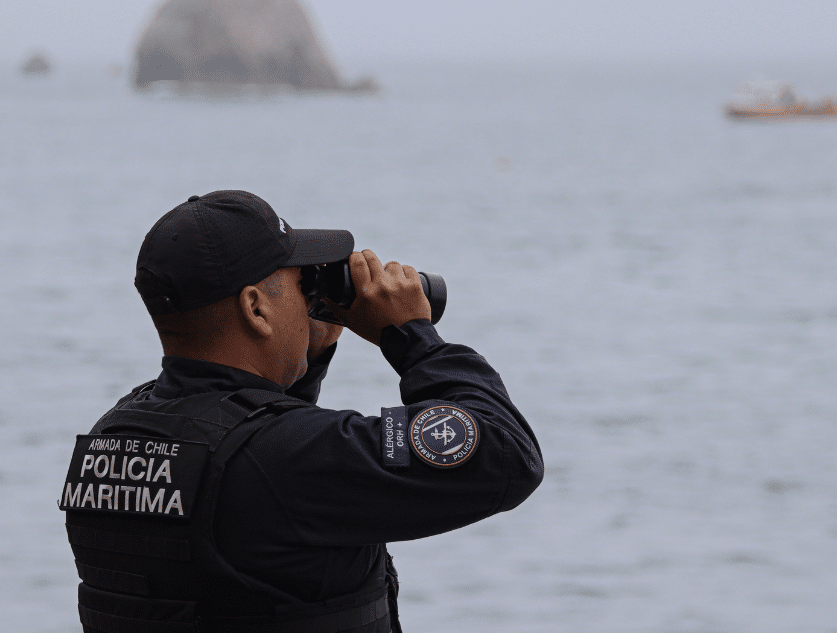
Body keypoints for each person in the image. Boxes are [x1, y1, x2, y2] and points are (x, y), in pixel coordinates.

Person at [60, 190, 543, 633]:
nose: (311, 301)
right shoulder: (287, 462)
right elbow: (503, 454)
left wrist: (305, 363)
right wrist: (412, 336)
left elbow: (251, 483)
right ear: (256, 308)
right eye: (299, 285)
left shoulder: (115, 433)